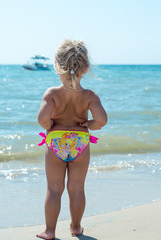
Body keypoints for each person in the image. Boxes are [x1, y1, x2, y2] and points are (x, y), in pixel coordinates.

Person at [36, 39, 107, 240]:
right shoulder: (89, 95)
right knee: (77, 188)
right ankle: (76, 228)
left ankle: (50, 231)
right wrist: (91, 125)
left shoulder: (52, 93)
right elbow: (102, 120)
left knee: (54, 189)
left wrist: (50, 126)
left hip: (56, 141)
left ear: (57, 66)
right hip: (80, 143)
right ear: (85, 68)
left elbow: (42, 119)